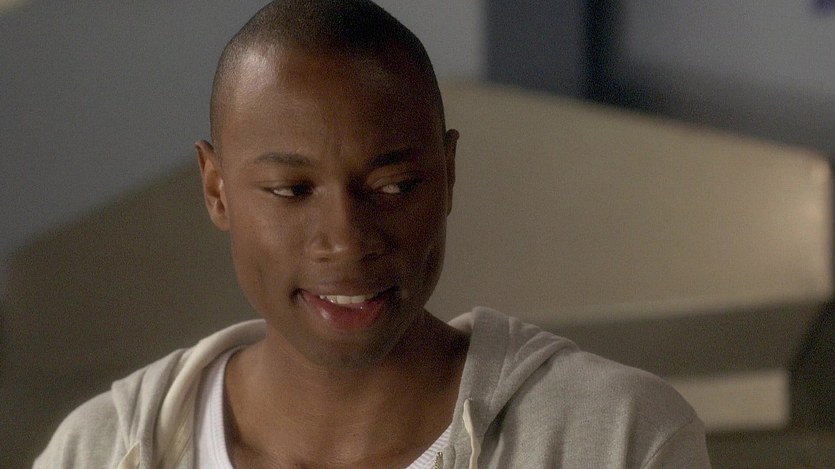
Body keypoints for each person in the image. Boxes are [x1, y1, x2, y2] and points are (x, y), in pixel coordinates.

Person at [35, 1, 711, 467]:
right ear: (216, 189)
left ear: (447, 172)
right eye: (291, 190)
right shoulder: (100, 449)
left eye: (393, 186)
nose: (347, 239)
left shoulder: (614, 438)